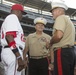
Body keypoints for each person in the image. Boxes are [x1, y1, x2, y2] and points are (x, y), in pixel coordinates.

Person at [49, 1, 75, 75]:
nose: (52, 13)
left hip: (62, 52)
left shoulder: (60, 18)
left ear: (59, 11)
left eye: (53, 11)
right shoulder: (69, 21)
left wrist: (51, 42)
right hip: (70, 52)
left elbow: (58, 36)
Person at [0, 4, 27, 75]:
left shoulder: (9, 19)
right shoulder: (13, 17)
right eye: (22, 13)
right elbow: (9, 36)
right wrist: (18, 57)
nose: (22, 16)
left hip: (9, 51)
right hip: (13, 53)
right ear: (18, 11)